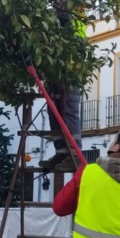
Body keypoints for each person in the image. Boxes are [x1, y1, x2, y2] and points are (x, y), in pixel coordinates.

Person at [40, 18, 87, 172]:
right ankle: (61, 152)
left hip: (70, 71)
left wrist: (65, 21)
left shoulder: (75, 14)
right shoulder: (51, 13)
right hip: (54, 71)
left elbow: (78, 41)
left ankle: (74, 153)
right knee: (53, 113)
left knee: (69, 111)